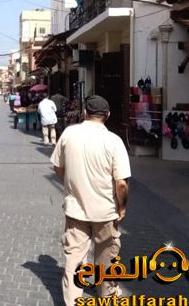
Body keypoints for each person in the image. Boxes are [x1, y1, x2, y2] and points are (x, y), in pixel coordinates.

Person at [50, 95, 130, 305]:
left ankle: (72, 301)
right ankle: (106, 295)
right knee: (107, 257)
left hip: (75, 209)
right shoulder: (114, 141)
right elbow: (121, 184)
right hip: (106, 211)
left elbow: (58, 167)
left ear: (84, 112)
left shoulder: (69, 133)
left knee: (74, 259)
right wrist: (122, 207)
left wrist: (72, 182)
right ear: (107, 115)